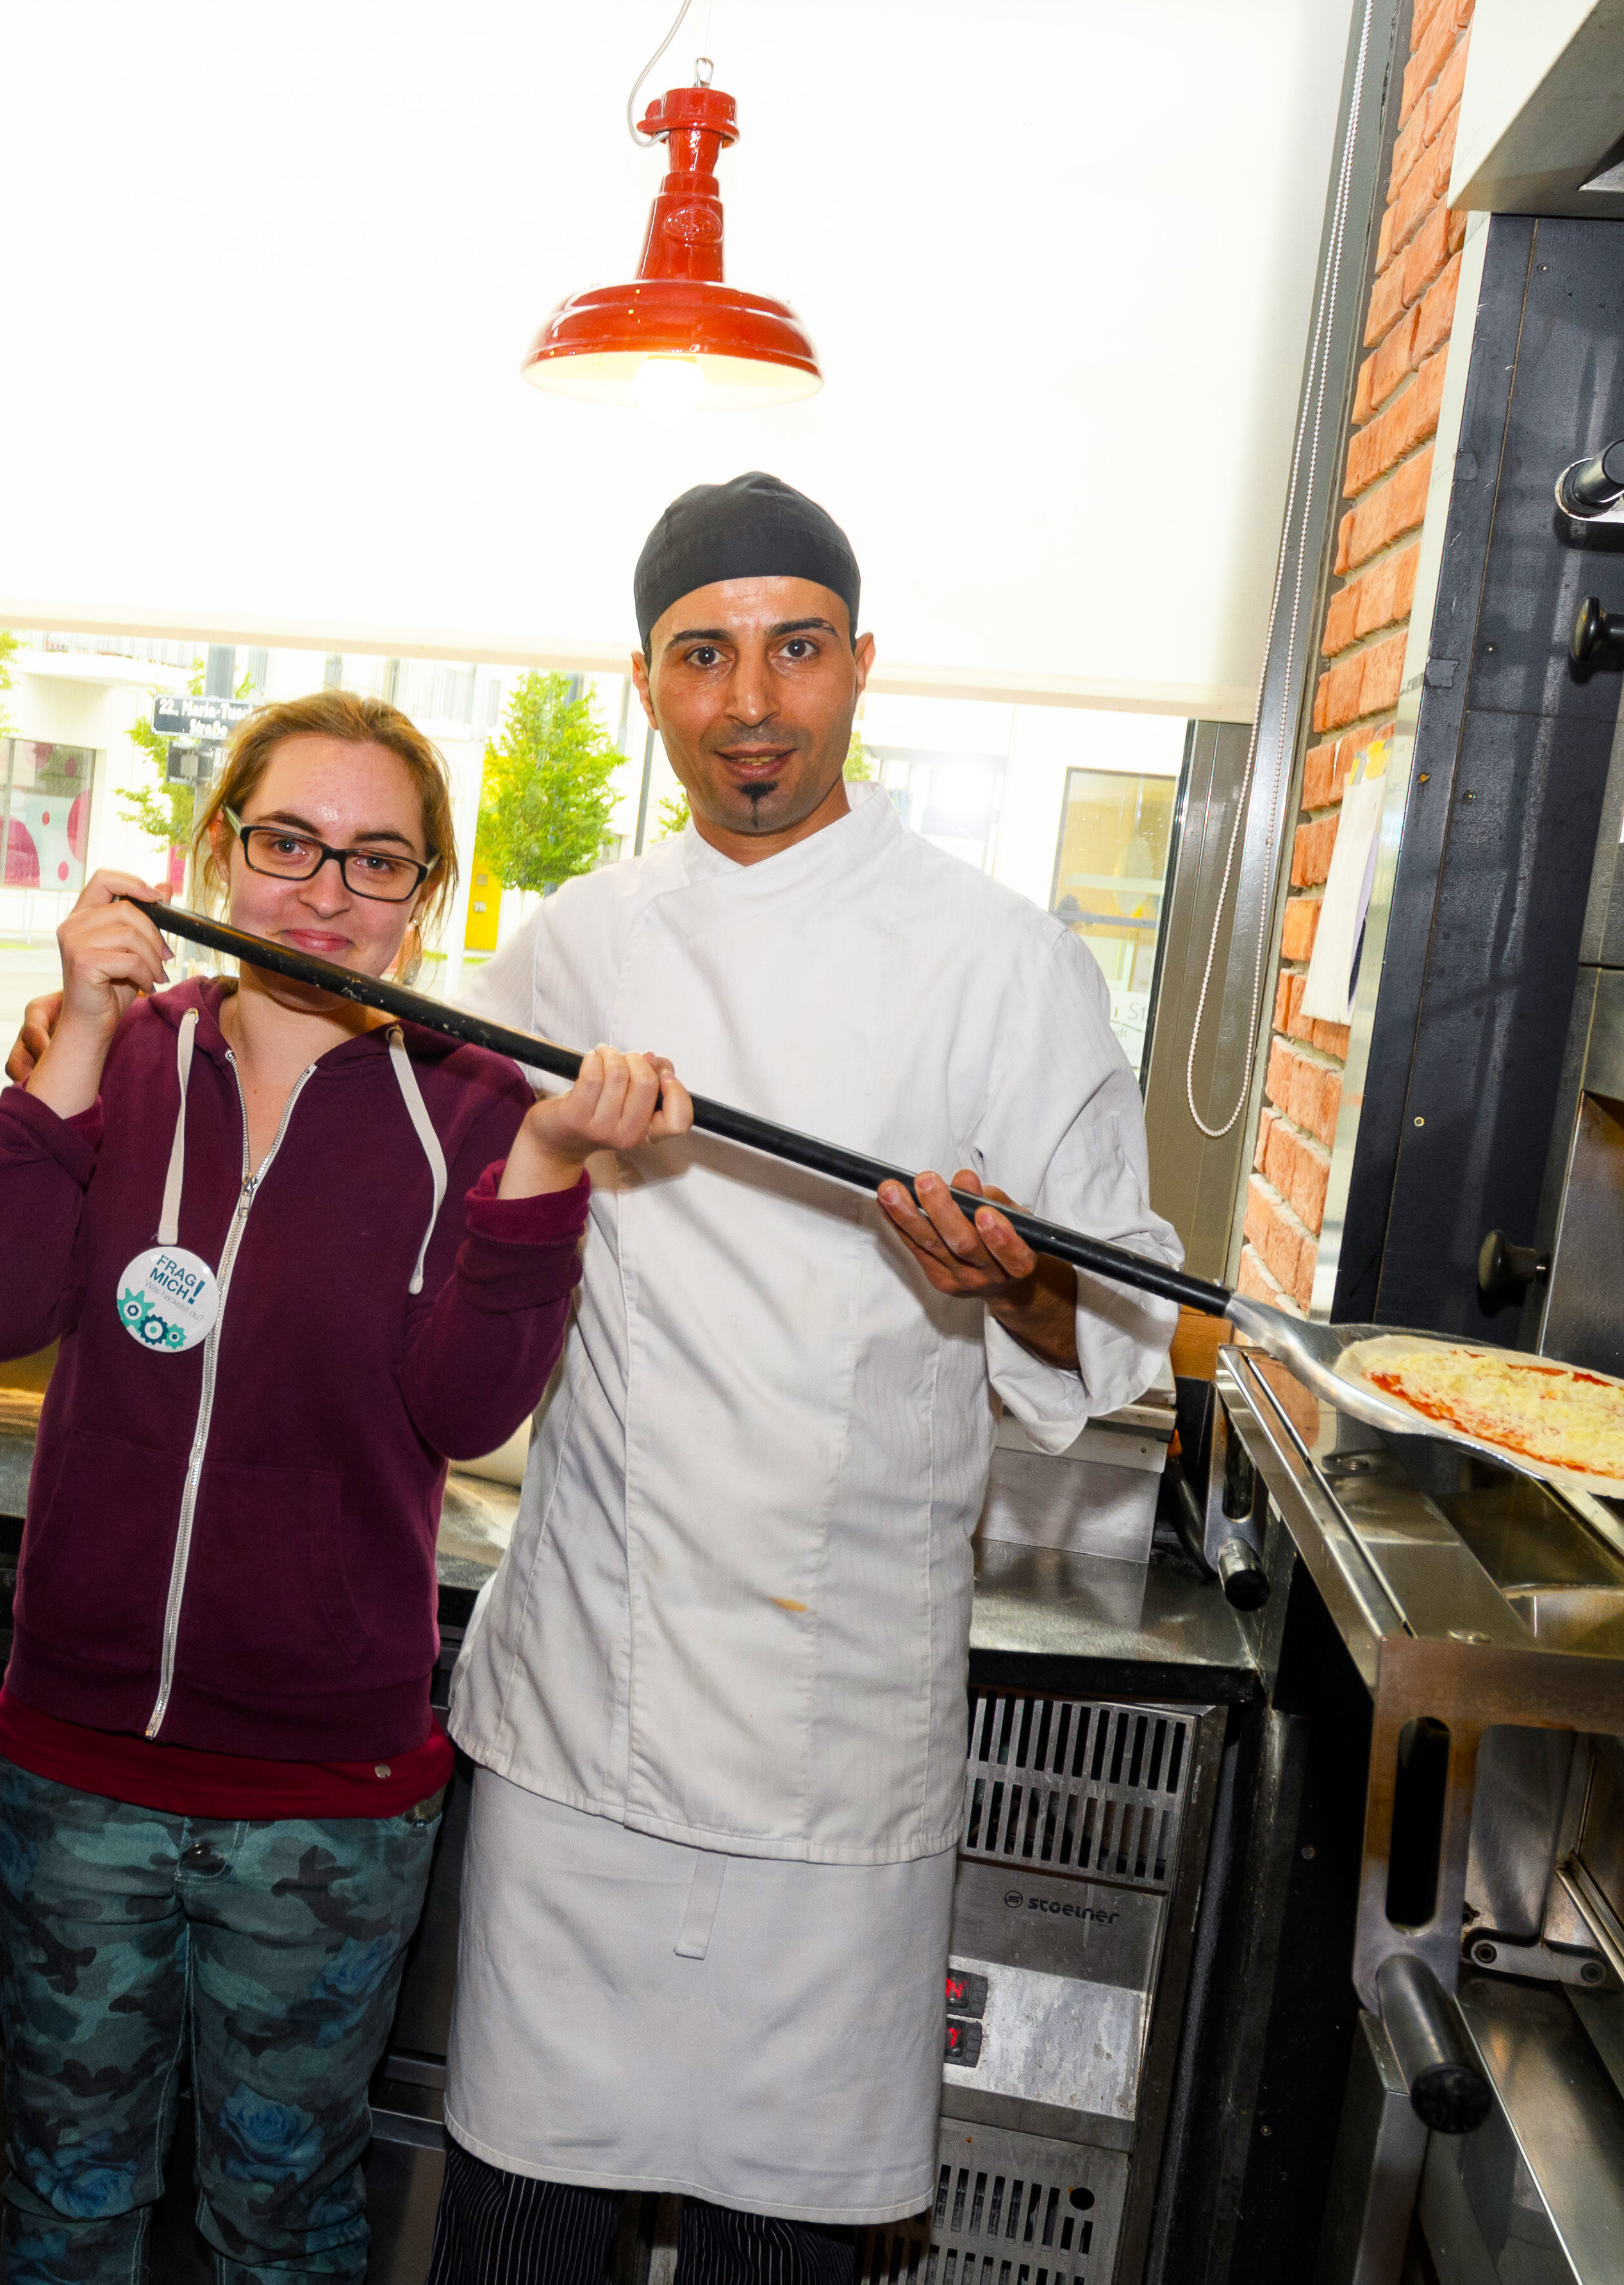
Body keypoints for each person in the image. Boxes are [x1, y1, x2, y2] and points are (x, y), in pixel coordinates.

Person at [424, 474, 1183, 2281]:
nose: (750, 700)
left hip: (832, 1737)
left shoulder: (1001, 960)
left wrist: (1011, 1281)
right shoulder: (567, 946)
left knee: (783, 2246)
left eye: (795, 648)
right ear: (643, 682)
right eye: (702, 655)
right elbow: (451, 1231)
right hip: (586, 1709)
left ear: (861, 664)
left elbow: (1116, 1322)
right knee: (519, 2220)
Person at [0, 690, 684, 2284]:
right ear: (218, 846)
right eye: (288, 842)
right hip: (76, 1767)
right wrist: (73, 1042)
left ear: (426, 894)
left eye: (375, 860)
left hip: (326, 1801)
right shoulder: (117, 1054)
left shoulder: (478, 1105)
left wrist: (547, 1170)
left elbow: (465, 1407)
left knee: (281, 2225)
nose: (324, 893)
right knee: (66, 2199)